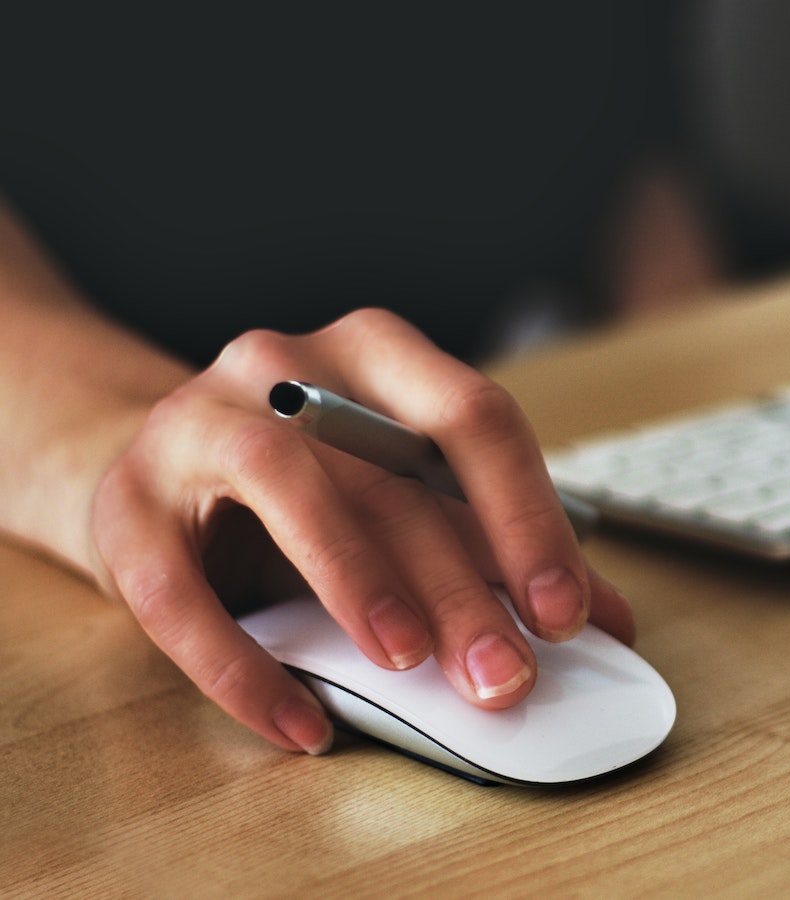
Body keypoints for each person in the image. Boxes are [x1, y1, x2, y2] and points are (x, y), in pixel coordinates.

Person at [0, 4, 711, 756]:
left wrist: (702, 434)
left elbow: (639, 167)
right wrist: (125, 445)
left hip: (454, 459)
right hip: (143, 425)